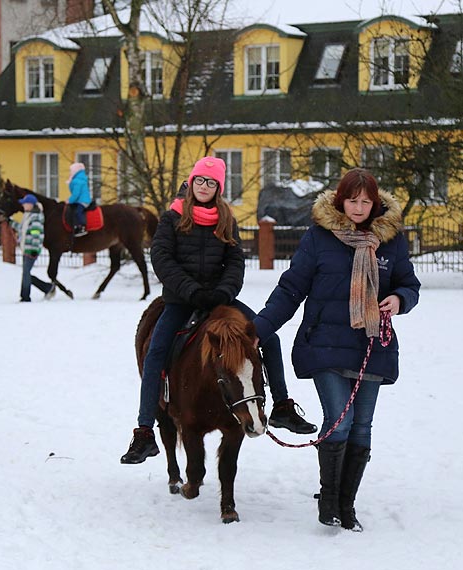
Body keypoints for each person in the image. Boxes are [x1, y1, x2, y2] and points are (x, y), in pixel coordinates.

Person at [253, 168, 420, 531]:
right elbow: (291, 288)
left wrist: (398, 298)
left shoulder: (391, 240)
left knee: (362, 426)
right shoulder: (319, 238)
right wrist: (258, 329)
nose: (359, 208)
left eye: (366, 201)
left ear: (375, 203)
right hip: (325, 343)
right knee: (339, 420)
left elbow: (410, 285)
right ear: (340, 200)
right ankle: (328, 503)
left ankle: (347, 505)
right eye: (352, 200)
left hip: (371, 345)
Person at [120, 156, 315, 465]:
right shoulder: (172, 218)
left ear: (218, 188)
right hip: (180, 299)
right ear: (192, 182)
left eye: (211, 183)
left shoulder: (226, 218)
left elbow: (236, 260)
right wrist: (191, 291)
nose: (205, 186)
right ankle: (145, 432)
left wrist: (224, 291)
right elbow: (162, 258)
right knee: (156, 349)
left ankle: (281, 407)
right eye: (200, 181)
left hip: (219, 298)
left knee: (270, 338)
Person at [9, 194, 55, 302]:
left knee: (26, 273)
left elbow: (36, 233)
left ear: (30, 204)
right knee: (26, 273)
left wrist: (34, 249)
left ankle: (25, 297)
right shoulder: (28, 215)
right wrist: (10, 222)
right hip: (26, 248)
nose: (23, 205)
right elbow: (22, 229)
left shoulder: (36, 217)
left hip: (31, 249)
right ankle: (47, 287)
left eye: (25, 203)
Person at [67, 162, 91, 236]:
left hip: (83, 201)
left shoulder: (78, 181)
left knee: (78, 212)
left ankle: (82, 227)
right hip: (80, 200)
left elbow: (76, 194)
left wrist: (69, 200)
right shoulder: (78, 179)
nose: (70, 172)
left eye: (71, 171)